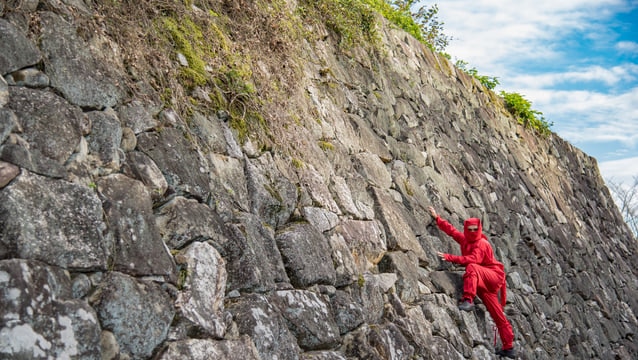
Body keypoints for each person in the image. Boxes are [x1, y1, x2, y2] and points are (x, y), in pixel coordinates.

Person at [428, 206, 516, 359]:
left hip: (492, 276)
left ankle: (468, 299)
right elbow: (452, 231)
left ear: (480, 228)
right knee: (498, 315)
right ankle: (509, 348)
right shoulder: (465, 240)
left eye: (476, 228)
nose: (473, 231)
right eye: (470, 229)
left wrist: (450, 257)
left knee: (472, 267)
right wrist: (437, 219)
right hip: (481, 281)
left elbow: (473, 260)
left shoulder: (482, 244)